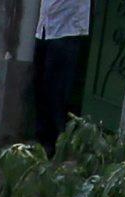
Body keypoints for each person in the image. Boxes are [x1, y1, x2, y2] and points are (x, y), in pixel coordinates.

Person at [31, 0, 92, 145]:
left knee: (57, 91)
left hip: (67, 28)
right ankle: (42, 141)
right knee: (39, 86)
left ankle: (56, 144)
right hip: (45, 28)